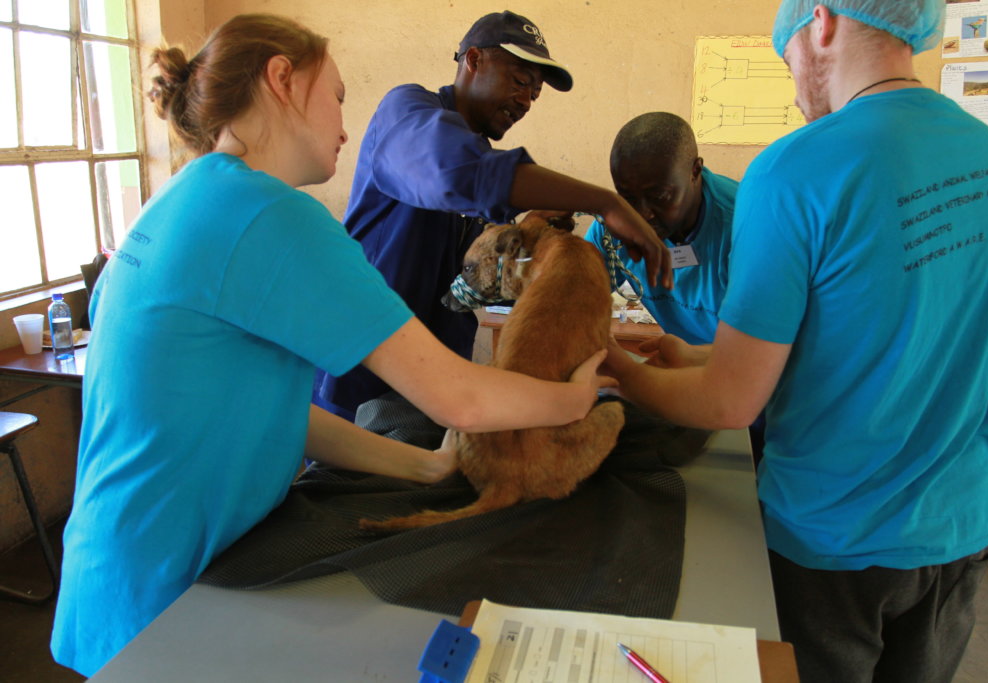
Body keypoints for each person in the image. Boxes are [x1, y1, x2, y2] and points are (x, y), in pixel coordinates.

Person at [49, 14, 617, 677]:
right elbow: (459, 397)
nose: (350, 124)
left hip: (110, 569)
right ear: (283, 80)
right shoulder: (272, 214)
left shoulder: (184, 197)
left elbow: (274, 409)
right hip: (170, 597)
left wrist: (427, 469)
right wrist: (575, 397)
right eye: (339, 96)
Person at [601, 1, 988, 681]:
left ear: (820, 23)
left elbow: (732, 401)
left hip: (839, 545)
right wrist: (699, 353)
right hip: (961, 525)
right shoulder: (983, 152)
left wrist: (619, 369)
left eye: (787, 58)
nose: (795, 89)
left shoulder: (792, 170)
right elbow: (862, 336)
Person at [312, 10, 671, 421]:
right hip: (362, 379)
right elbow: (457, 173)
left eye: (535, 94)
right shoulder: (407, 113)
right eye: (520, 82)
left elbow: (463, 287)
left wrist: (527, 232)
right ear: (474, 60)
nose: (525, 101)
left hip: (435, 389)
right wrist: (606, 203)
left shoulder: (477, 158)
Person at [584, 111, 738, 351]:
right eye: (628, 197)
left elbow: (768, 349)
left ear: (695, 171)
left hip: (752, 369)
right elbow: (573, 301)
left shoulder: (745, 226)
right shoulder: (613, 225)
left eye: (659, 196)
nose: (643, 215)